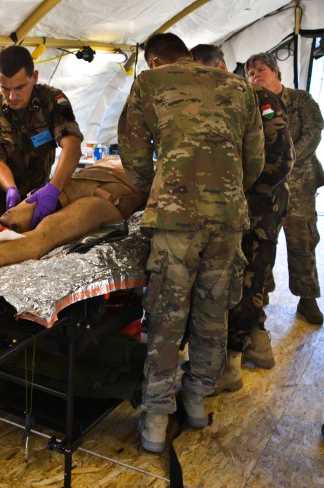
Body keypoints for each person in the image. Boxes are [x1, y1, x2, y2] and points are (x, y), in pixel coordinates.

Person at [118, 33, 265, 453]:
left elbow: (132, 151)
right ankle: (198, 401)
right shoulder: (240, 86)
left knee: (166, 317)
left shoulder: (150, 83)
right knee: (213, 311)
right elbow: (254, 158)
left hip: (175, 220)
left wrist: (157, 190)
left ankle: (157, 421)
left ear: (153, 60)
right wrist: (226, 191)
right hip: (228, 219)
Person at [191, 44, 294, 392]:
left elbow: (281, 159)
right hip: (232, 208)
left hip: (260, 207)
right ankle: (258, 346)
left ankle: (231, 366)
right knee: (244, 280)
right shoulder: (211, 104)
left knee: (249, 280)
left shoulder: (258, 98)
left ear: (221, 67)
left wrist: (242, 191)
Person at [0, 157, 147, 285]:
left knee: (47, 232)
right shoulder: (120, 156)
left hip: (109, 202)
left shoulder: (154, 170)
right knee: (12, 218)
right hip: (73, 185)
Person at [246, 52, 324, 325]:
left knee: (302, 240)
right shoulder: (251, 104)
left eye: (261, 70)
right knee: (263, 238)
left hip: (300, 185)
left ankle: (307, 298)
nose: (255, 76)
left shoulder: (301, 99)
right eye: (251, 73)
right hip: (266, 186)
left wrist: (287, 160)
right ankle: (261, 292)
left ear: (276, 72)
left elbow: (314, 132)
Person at [0, 45, 84, 227]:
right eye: (5, 88)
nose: (12, 96)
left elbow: (72, 145)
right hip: (1, 205)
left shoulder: (52, 100)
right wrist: (10, 188)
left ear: (34, 77)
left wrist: (54, 188)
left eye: (19, 87)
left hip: (41, 199)